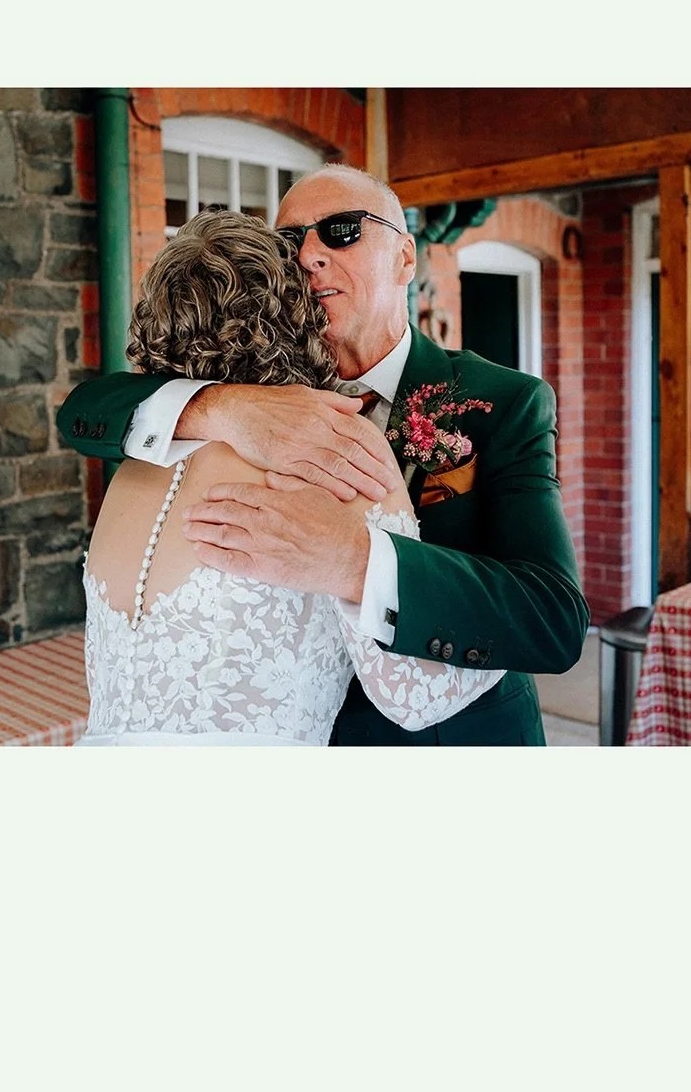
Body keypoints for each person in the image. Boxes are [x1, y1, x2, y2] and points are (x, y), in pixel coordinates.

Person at [59, 165, 589, 745]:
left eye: (341, 230)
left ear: (405, 258)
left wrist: (355, 563)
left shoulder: (504, 399)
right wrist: (223, 409)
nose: (309, 254)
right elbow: (85, 408)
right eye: (289, 241)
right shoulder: (234, 404)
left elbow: (553, 616)